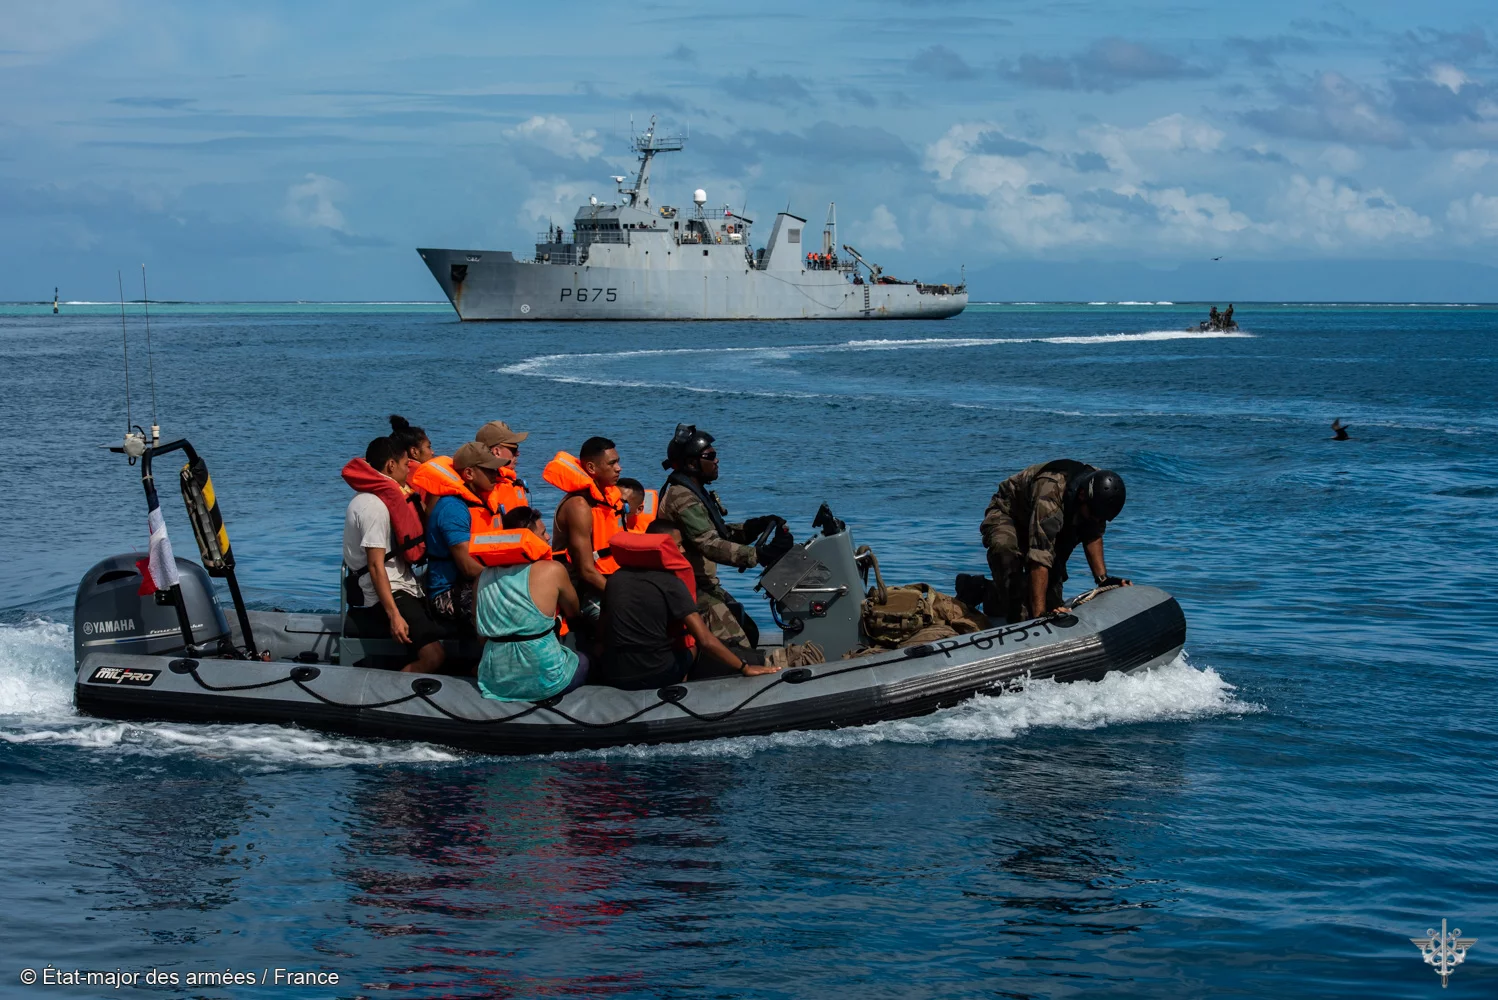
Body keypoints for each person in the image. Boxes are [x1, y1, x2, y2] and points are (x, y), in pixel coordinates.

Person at [598, 521, 785, 690]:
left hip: (615, 673)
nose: (683, 551)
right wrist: (745, 668)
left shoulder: (616, 578)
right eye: (677, 545)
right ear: (662, 546)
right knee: (692, 645)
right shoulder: (671, 583)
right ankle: (684, 687)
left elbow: (603, 631)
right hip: (655, 674)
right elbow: (705, 640)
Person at [658, 423, 793, 655]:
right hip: (689, 587)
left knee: (749, 630)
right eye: (710, 456)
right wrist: (760, 555)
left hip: (705, 584)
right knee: (738, 648)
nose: (716, 460)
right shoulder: (682, 497)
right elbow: (708, 544)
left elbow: (721, 533)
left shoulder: (694, 491)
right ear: (692, 463)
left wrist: (756, 525)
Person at [979, 460, 1130, 624]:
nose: (1097, 520)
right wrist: (1039, 617)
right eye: (1094, 515)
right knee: (1005, 553)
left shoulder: (1099, 490)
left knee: (1053, 598)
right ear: (1081, 496)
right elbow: (1040, 556)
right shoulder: (1050, 494)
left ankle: (991, 593)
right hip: (1010, 514)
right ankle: (983, 590)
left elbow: (1093, 535)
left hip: (1056, 519)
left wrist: (1103, 580)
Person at [342, 435, 445, 673]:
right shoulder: (373, 507)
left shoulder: (380, 498)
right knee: (434, 656)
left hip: (403, 585)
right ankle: (392, 696)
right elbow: (376, 566)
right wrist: (394, 616)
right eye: (406, 465)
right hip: (384, 595)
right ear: (391, 465)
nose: (409, 470)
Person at [472, 517, 585, 703]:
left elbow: (480, 635)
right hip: (546, 681)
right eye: (542, 533)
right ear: (528, 539)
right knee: (585, 659)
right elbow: (573, 611)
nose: (548, 537)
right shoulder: (553, 570)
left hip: (494, 680)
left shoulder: (481, 578)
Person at [409, 441, 505, 633]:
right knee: (508, 611)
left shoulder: (475, 502)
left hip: (471, 583)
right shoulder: (453, 509)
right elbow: (468, 567)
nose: (497, 474)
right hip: (446, 593)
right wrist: (508, 580)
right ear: (469, 473)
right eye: (490, 470)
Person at [543, 437, 626, 634]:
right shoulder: (579, 505)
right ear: (591, 467)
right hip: (582, 592)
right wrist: (622, 598)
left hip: (605, 582)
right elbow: (586, 571)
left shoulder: (606, 500)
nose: (619, 468)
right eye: (612, 463)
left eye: (618, 461)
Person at [475, 419, 530, 514]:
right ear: (496, 452)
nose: (517, 453)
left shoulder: (510, 482)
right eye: (514, 449)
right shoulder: (487, 487)